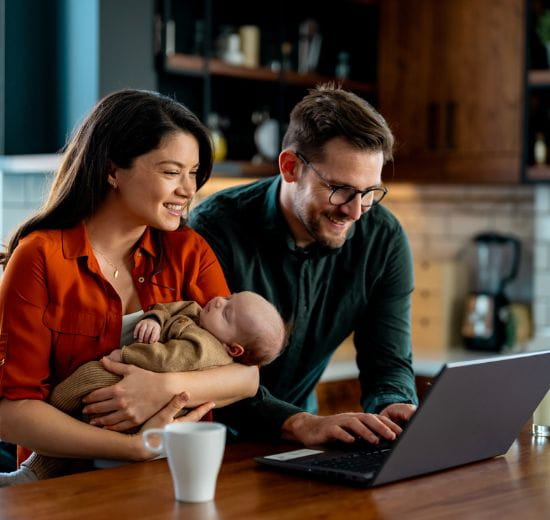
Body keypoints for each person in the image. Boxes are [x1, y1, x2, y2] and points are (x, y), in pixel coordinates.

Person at [0, 89, 259, 484]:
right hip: (65, 488)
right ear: (112, 169)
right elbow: (12, 412)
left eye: (193, 173)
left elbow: (245, 376)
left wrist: (163, 387)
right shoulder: (39, 257)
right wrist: (132, 448)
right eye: (172, 172)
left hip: (179, 477)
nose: (188, 190)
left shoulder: (189, 250)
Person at [189, 84, 419, 447]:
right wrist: (295, 422)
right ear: (291, 167)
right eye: (340, 189)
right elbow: (198, 368)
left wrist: (394, 404)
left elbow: (387, 360)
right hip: (212, 445)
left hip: (305, 441)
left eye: (369, 193)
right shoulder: (213, 231)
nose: (355, 212)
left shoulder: (383, 239)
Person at [1, 291, 285, 484]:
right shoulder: (200, 315)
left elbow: (165, 360)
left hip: (127, 388)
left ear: (233, 349)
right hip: (129, 396)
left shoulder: (206, 350)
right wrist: (154, 318)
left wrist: (126, 355)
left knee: (82, 384)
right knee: (74, 430)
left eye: (228, 314)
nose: (219, 301)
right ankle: (32, 472)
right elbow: (170, 309)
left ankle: (51, 418)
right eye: (228, 297)